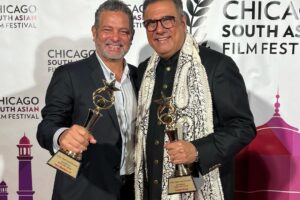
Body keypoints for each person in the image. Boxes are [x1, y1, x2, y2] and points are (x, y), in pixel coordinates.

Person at [134, 0, 256, 200]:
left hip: (200, 186)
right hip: (151, 191)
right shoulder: (144, 70)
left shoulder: (217, 66)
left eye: (167, 20)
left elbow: (243, 127)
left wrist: (198, 150)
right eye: (151, 23)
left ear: (183, 21)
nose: (159, 29)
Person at [37, 1, 137, 199]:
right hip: (84, 190)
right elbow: (46, 127)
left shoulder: (141, 76)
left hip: (133, 190)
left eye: (123, 31)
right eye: (107, 30)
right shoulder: (69, 74)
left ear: (131, 37)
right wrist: (62, 136)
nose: (115, 38)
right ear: (94, 32)